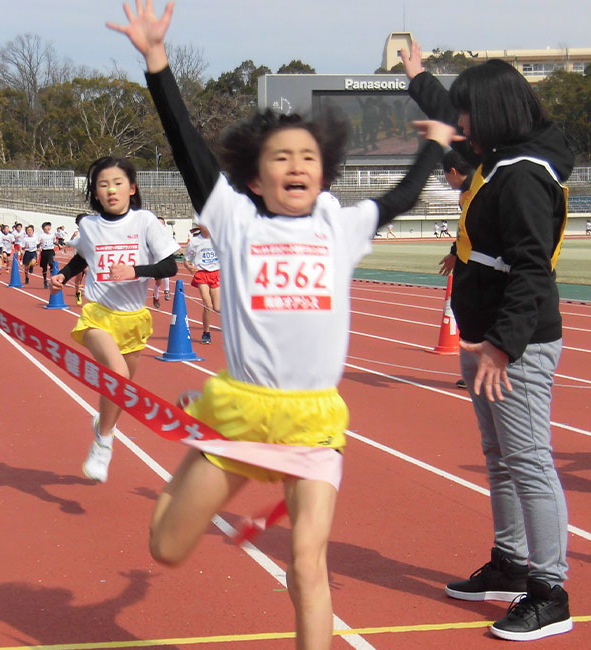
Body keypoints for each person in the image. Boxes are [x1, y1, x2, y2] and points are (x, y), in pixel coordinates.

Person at [109, 4, 457, 649]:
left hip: (312, 423)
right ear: (255, 176)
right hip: (243, 414)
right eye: (280, 157)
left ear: (323, 171)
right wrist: (157, 63)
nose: (295, 165)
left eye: (307, 156)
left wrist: (434, 142)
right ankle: (198, 435)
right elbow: (187, 146)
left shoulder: (341, 226)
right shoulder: (237, 223)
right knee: (165, 547)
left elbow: (404, 196)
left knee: (306, 566)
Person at [402, 40, 574, 641]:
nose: (461, 124)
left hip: (514, 345)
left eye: (469, 114)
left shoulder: (524, 174)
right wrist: (419, 77)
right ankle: (510, 561)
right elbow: (451, 110)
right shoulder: (501, 157)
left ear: (495, 113)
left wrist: (502, 344)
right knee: (502, 458)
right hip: (485, 337)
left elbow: (532, 269)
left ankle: (550, 590)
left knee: (529, 462)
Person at [50, 158, 178, 483]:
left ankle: (104, 424)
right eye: (103, 184)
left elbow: (170, 267)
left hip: (134, 319)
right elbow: (83, 256)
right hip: (98, 314)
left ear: (131, 188)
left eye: (118, 183)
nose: (111, 189)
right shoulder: (91, 226)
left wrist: (136, 271)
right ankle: (103, 443)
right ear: (95, 191)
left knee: (121, 389)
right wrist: (63, 276)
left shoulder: (145, 221)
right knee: (117, 374)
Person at [439, 149, 476, 390]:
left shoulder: (476, 189)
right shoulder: (468, 190)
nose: (446, 181)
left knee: (472, 312)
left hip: (478, 261)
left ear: (453, 172)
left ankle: (481, 371)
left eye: (446, 176)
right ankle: (475, 371)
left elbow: (473, 226)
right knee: (464, 310)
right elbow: (465, 227)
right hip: (467, 257)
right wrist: (454, 252)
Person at [183, 223, 220, 344]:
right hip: (202, 274)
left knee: (217, 307)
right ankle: (206, 332)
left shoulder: (218, 238)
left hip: (215, 273)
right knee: (207, 305)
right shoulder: (195, 242)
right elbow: (186, 260)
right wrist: (189, 268)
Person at [150, 216, 174, 308]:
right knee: (158, 282)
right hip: (156, 261)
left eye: (162, 224)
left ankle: (167, 290)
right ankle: (156, 297)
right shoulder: (151, 236)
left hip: (164, 259)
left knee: (166, 271)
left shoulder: (166, 235)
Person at [38, 221, 57, 288]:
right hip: (44, 251)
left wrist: (59, 245)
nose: (48, 228)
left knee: (51, 263)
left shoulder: (52, 235)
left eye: (49, 226)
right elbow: (37, 244)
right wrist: (39, 244)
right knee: (44, 267)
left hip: (51, 251)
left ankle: (52, 277)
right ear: (43, 228)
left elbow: (54, 241)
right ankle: (45, 280)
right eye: (47, 226)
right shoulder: (41, 235)